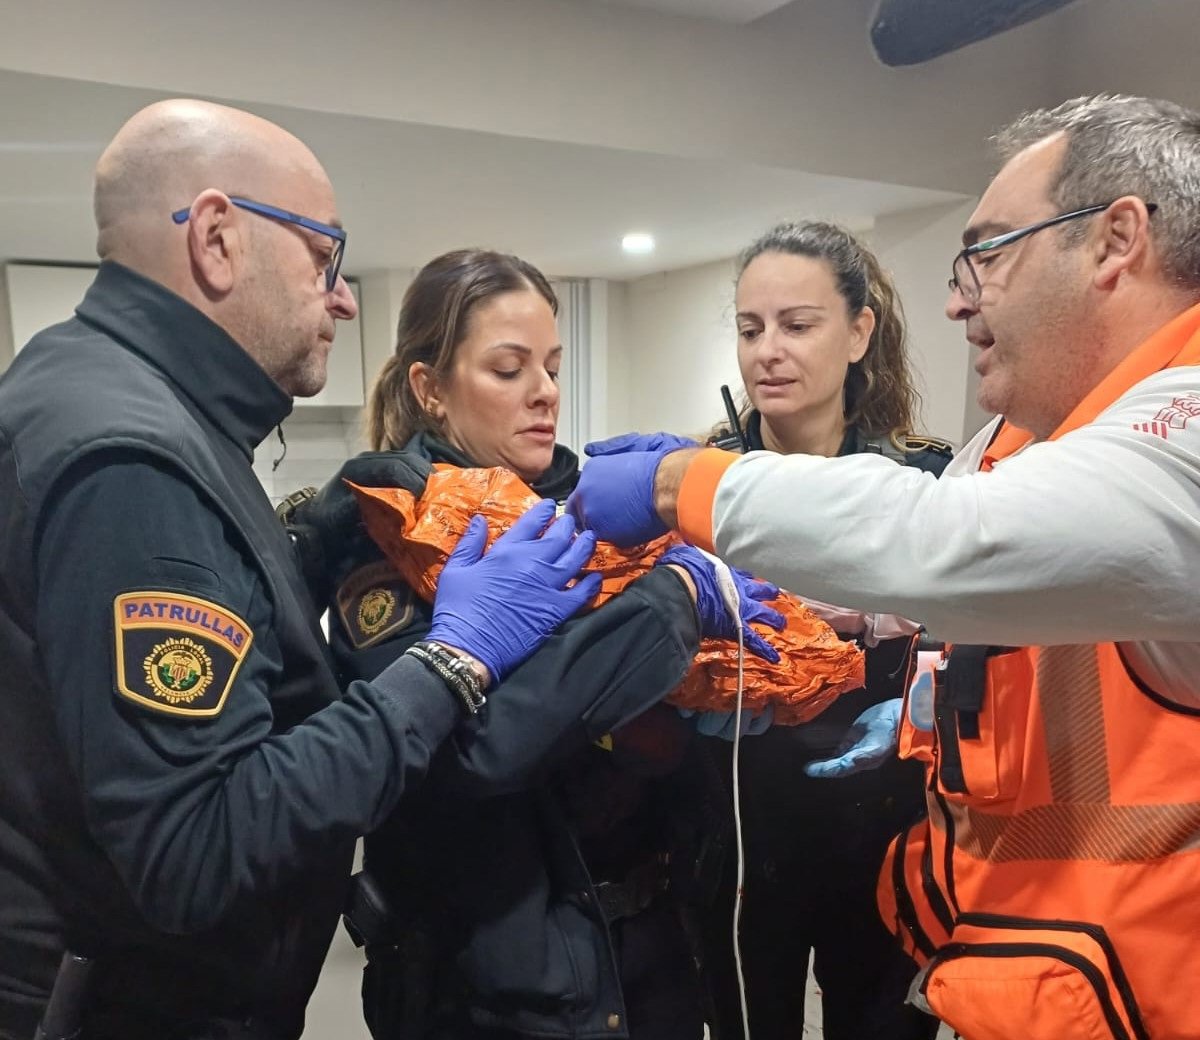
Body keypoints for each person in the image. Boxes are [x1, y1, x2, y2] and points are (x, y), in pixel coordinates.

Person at [567, 93, 1200, 1040]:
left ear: (1115, 241)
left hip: (1155, 985)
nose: (957, 299)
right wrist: (917, 705)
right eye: (750, 327)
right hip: (1050, 967)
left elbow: (947, 540)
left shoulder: (1182, 427)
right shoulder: (1024, 441)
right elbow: (992, 624)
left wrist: (677, 483)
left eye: (988, 253)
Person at [0, 100, 605, 1040]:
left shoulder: (116, 394)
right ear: (216, 239)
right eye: (324, 255)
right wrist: (453, 660)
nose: (343, 297)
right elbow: (196, 848)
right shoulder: (132, 460)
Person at [317, 248, 781, 1040]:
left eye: (553, 367)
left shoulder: (590, 508)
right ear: (430, 389)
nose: (545, 392)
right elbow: (475, 753)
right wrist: (667, 604)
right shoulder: (385, 529)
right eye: (509, 369)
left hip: (651, 943)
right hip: (499, 982)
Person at [697, 221, 948, 1040]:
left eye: (797, 325)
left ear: (858, 332)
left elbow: (985, 647)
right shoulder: (698, 482)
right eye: (750, 329)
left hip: (886, 830)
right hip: (739, 834)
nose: (768, 352)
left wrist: (919, 700)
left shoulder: (926, 480)